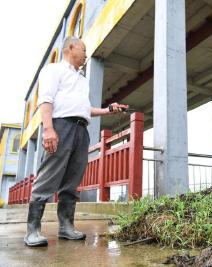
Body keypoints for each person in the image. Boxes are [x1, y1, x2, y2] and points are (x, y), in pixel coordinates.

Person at [24, 36, 128, 247]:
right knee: (49, 175)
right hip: (60, 126)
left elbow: (84, 109)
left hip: (81, 129)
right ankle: (33, 230)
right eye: (83, 50)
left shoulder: (81, 80)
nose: (86, 55)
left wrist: (108, 109)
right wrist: (49, 129)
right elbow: (46, 99)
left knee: (72, 181)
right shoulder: (53, 70)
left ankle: (66, 227)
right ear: (70, 48)